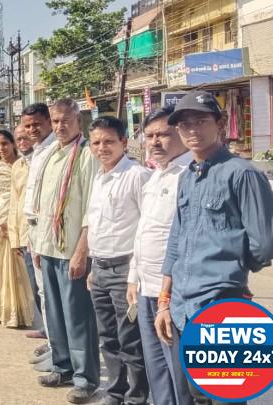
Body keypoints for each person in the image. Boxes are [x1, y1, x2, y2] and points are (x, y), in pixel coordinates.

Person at [155, 91, 273, 405]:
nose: (192, 130)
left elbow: (265, 244)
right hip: (183, 306)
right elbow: (177, 238)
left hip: (220, 303)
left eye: (201, 121)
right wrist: (164, 299)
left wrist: (231, 274)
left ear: (220, 124)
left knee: (227, 394)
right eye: (184, 124)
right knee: (197, 394)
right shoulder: (188, 177)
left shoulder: (242, 173)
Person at [29, 99, 100, 403]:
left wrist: (82, 250)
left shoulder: (85, 155)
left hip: (72, 250)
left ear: (78, 122)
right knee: (56, 315)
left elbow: (91, 209)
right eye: (55, 121)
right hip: (48, 247)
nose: (60, 127)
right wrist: (37, 245)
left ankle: (86, 378)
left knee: (78, 317)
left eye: (65, 121)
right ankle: (63, 366)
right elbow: (42, 206)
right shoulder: (49, 155)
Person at [128, 106, 194, 405]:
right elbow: (143, 231)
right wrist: (133, 278)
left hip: (174, 292)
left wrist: (168, 296)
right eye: (149, 135)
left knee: (180, 372)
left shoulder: (191, 175)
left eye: (163, 135)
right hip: (145, 288)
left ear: (180, 132)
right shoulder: (155, 175)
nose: (154, 142)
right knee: (157, 369)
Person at [86, 117, 151, 405]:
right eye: (97, 142)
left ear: (124, 142)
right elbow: (97, 224)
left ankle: (136, 398)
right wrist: (92, 266)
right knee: (108, 339)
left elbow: (145, 228)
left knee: (130, 341)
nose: (103, 147)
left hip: (126, 271)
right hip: (100, 268)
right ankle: (114, 393)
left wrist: (134, 277)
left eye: (109, 141)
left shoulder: (137, 175)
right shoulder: (99, 177)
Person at [0, 130, 35, 328]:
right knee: (1, 271)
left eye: (5, 143)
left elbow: (24, 197)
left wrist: (14, 222)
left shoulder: (25, 165)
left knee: (23, 272)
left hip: (20, 225)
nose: (1, 148)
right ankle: (3, 312)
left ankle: (23, 314)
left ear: (13, 144)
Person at [20, 103, 57, 342]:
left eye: (37, 124)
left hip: (51, 230)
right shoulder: (38, 150)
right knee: (43, 291)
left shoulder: (57, 149)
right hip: (34, 229)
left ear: (48, 122)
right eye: (28, 125)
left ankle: (59, 349)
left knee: (53, 294)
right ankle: (53, 344)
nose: (32, 129)